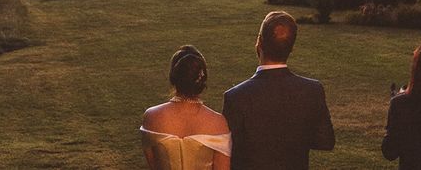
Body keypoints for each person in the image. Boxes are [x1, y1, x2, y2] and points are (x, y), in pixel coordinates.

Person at [222, 11, 335, 170]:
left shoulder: (236, 97)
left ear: (259, 43)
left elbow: (229, 151)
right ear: (291, 47)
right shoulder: (312, 90)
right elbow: (326, 141)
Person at [141, 45, 231, 170]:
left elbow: (153, 164)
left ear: (173, 77)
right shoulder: (218, 123)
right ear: (202, 79)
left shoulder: (151, 116)